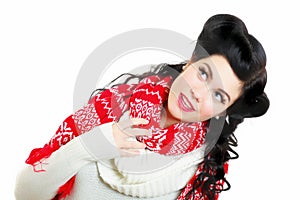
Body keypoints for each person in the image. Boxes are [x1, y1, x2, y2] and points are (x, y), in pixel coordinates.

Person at [14, 14, 269, 200]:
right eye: (203, 73)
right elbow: (25, 193)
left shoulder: (202, 170)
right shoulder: (110, 108)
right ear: (190, 61)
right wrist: (89, 146)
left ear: (222, 112)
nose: (198, 94)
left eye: (219, 96)